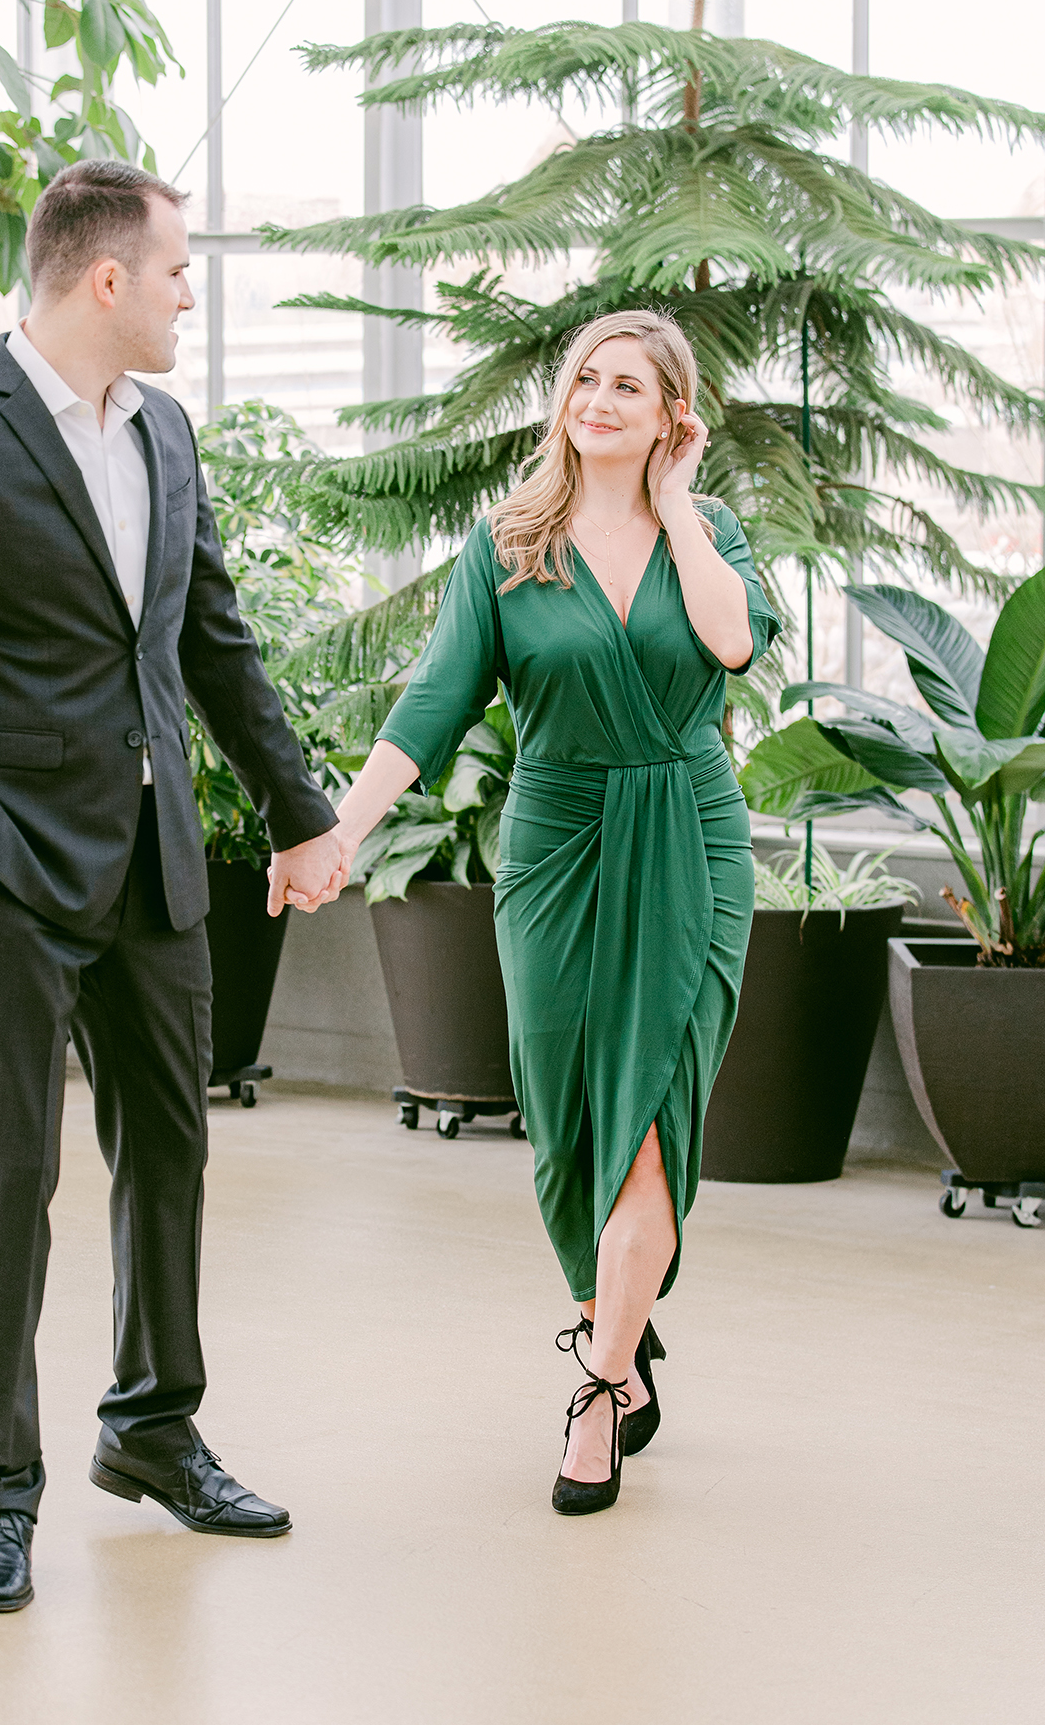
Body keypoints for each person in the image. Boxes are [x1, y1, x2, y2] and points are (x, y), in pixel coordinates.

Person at [0, 159, 346, 1612]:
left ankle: (154, 1429)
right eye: (181, 269)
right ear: (106, 279)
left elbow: (214, 643)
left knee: (171, 1161)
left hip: (157, 872)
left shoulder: (167, 431)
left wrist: (299, 811)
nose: (194, 291)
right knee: (6, 1181)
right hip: (9, 876)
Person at [317, 310, 779, 1516]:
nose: (598, 399)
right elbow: (429, 710)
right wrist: (340, 831)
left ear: (672, 416)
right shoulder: (509, 546)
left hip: (689, 836)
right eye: (585, 378)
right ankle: (616, 1327)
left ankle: (595, 1385)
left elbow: (731, 647)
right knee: (570, 1120)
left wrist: (678, 507)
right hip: (556, 845)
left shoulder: (714, 539)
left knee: (648, 1117)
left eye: (628, 385)